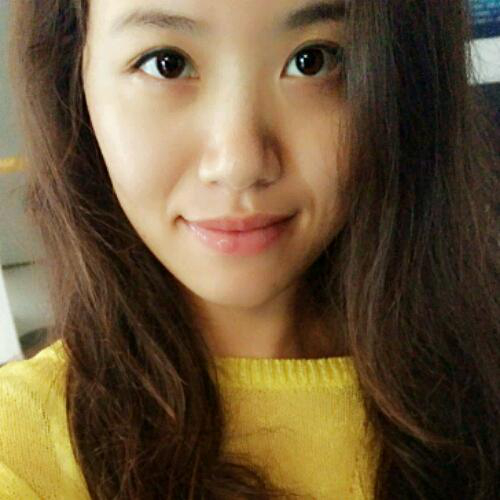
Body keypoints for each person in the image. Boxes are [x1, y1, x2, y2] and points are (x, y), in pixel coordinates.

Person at [0, 0, 498, 498]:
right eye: (166, 64)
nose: (240, 163)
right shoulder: (22, 447)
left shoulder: (479, 376)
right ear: (75, 83)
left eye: (313, 61)